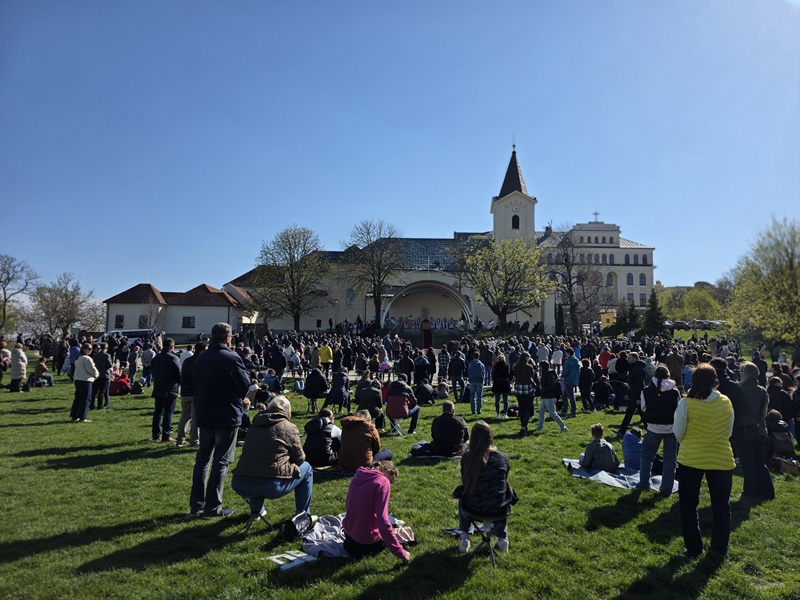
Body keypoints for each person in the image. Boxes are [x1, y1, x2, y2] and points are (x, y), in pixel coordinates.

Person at [189, 323, 251, 519]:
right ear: (228, 338)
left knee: (202, 459)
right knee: (221, 461)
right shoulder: (232, 358)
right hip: (226, 415)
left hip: (205, 413)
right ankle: (212, 507)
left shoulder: (201, 357)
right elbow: (244, 385)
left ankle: (196, 506)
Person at [674, 363, 735, 559]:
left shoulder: (686, 403)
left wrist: (691, 441)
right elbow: (729, 431)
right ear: (715, 381)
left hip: (691, 458)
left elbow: (678, 432)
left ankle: (694, 548)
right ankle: (720, 548)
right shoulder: (725, 402)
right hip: (720, 457)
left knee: (688, 504)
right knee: (721, 506)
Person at [231, 396, 313, 518]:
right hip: (270, 485)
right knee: (307, 468)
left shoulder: (254, 425)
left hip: (240, 482)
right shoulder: (289, 427)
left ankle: (257, 510)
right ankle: (303, 514)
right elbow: (300, 459)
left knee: (257, 466)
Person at [456, 421, 514, 554]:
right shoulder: (503, 458)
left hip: (472, 508)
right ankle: (502, 539)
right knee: (503, 493)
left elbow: (465, 480)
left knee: (462, 494)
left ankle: (464, 536)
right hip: (498, 510)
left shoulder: (467, 458)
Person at [343, 460, 410, 564]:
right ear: (388, 472)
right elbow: (383, 521)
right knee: (394, 528)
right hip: (366, 544)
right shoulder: (383, 482)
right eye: (391, 482)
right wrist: (401, 553)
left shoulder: (359, 475)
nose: (389, 485)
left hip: (349, 539)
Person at [636, 365, 680, 496]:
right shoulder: (675, 391)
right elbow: (679, 408)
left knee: (646, 456)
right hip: (671, 428)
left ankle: (644, 483)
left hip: (653, 428)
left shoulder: (646, 390)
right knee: (670, 459)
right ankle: (666, 488)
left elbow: (643, 408)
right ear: (668, 375)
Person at [734, 361, 775, 501]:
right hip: (759, 429)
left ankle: (750, 491)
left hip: (744, 429)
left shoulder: (739, 389)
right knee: (760, 462)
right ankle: (767, 491)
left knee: (748, 463)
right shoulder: (762, 391)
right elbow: (763, 413)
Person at [150, 338, 181, 443]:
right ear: (172, 346)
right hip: (170, 388)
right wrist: (180, 383)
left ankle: (156, 434)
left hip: (158, 387)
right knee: (168, 412)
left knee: (158, 412)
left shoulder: (156, 358)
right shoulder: (173, 358)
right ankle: (166, 435)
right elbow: (179, 373)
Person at [176, 342, 205, 447]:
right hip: (195, 392)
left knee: (184, 417)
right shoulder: (201, 361)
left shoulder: (187, 361)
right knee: (195, 418)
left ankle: (180, 440)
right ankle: (194, 440)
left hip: (185, 391)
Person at [536, 360, 568, 434]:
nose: (539, 369)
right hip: (546, 396)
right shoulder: (547, 374)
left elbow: (551, 386)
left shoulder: (549, 375)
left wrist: (542, 390)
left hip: (549, 396)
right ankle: (539, 427)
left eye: (540, 367)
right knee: (541, 412)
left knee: (553, 413)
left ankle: (563, 427)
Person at [70, 343, 99, 422]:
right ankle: (83, 417)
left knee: (78, 399)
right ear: (84, 349)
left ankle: (74, 416)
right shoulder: (87, 358)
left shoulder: (78, 357)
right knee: (86, 399)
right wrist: (96, 375)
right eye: (89, 349)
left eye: (91, 349)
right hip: (86, 380)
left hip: (78, 379)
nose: (91, 350)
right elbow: (91, 369)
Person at [513, 351, 538, 436]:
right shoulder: (529, 367)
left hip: (519, 387)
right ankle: (524, 426)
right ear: (526, 358)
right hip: (527, 387)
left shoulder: (516, 366)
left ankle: (523, 426)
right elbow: (532, 376)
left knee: (521, 407)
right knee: (527, 408)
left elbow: (514, 376)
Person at [91, 343, 113, 409]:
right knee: (102, 392)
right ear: (106, 348)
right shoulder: (107, 355)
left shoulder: (95, 355)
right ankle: (100, 405)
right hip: (104, 375)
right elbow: (110, 365)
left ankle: (92, 405)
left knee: (94, 391)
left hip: (97, 375)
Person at [561, 348, 580, 418]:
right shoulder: (576, 360)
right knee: (566, 395)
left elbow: (565, 371)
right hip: (574, 379)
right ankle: (564, 410)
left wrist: (562, 375)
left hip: (568, 380)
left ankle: (573, 412)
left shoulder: (567, 361)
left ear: (568, 353)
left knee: (570, 396)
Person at [492, 354, 511, 418]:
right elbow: (508, 375)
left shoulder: (496, 366)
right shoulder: (506, 366)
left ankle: (498, 414)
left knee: (497, 400)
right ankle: (505, 414)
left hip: (497, 383)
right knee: (505, 400)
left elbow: (493, 375)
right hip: (504, 383)